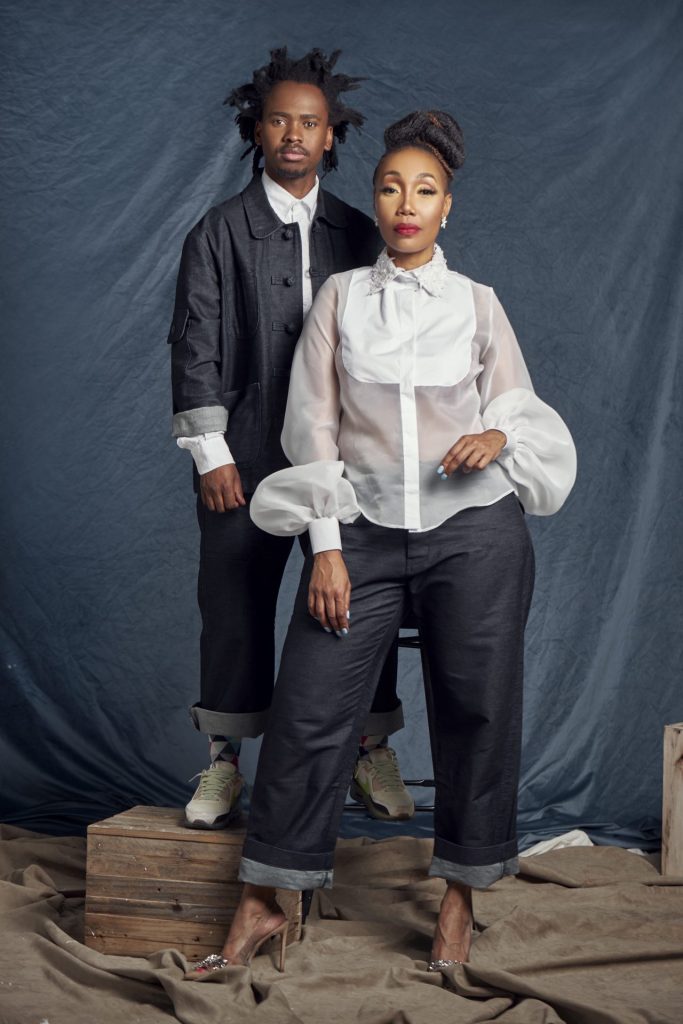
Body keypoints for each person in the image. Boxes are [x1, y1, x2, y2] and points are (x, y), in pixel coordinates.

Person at [184, 109, 577, 977]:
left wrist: (496, 437)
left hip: (474, 533)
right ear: (375, 198)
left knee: (477, 710)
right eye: (391, 187)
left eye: (424, 190)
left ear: (447, 207)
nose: (405, 204)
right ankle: (264, 898)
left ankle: (459, 896)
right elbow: (310, 429)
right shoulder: (339, 298)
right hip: (358, 535)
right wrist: (324, 546)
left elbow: (518, 409)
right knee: (310, 711)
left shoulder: (477, 304)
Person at [169, 48, 414, 830]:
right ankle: (223, 764)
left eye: (310, 122)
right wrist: (211, 454)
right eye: (279, 120)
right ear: (258, 130)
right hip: (244, 454)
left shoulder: (358, 232)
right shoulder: (218, 231)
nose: (294, 134)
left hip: (345, 457)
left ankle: (369, 748)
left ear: (331, 135)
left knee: (360, 597)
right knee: (233, 604)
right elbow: (194, 344)